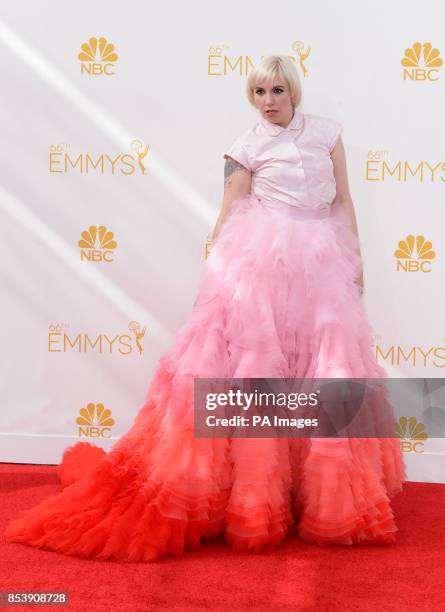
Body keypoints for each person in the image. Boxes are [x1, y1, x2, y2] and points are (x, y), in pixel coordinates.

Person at [5, 55, 405, 562]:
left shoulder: (327, 133)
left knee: (326, 369)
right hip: (263, 263)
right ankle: (257, 499)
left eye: (277, 91)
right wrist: (217, 272)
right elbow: (230, 211)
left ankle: (320, 497)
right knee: (260, 372)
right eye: (258, 93)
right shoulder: (245, 147)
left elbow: (343, 199)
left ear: (294, 91)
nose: (268, 103)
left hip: (323, 262)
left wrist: (357, 256)